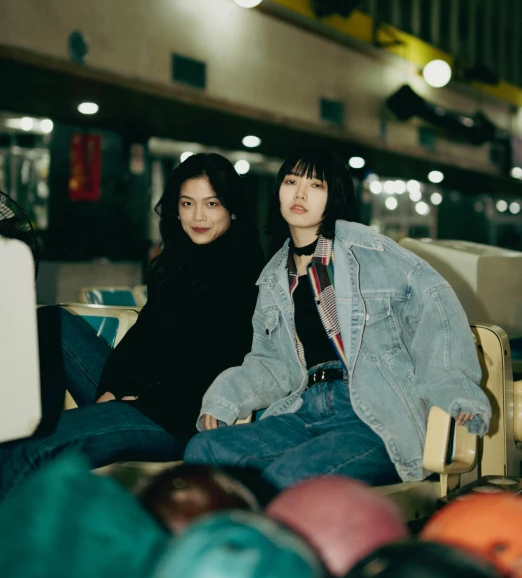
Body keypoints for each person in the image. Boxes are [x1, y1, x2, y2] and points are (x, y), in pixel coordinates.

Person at [184, 148, 491, 490]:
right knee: (204, 451)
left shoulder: (372, 253)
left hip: (372, 413)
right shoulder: (274, 275)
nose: (300, 194)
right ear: (278, 191)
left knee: (288, 477)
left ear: (335, 197)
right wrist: (225, 398)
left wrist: (455, 389)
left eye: (316, 185)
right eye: (290, 182)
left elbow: (436, 307)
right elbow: (270, 362)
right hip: (304, 410)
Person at [0, 153, 264, 498]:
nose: (198, 216)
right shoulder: (176, 264)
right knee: (52, 321)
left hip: (178, 416)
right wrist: (112, 389)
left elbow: (214, 364)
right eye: (187, 203)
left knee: (27, 450)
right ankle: (42, 417)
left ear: (231, 209)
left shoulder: (245, 275)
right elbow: (140, 340)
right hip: (141, 396)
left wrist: (137, 396)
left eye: (211, 203)